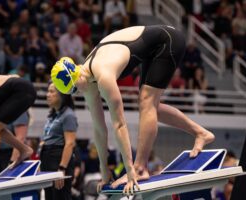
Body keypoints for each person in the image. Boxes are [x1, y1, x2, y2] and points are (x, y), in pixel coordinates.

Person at [51, 25, 215, 195]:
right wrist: (104, 171)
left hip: (168, 40)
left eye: (74, 88)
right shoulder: (87, 81)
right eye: (72, 92)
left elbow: (119, 125)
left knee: (146, 103)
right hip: (152, 48)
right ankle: (201, 133)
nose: (77, 92)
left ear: (76, 76)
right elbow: (99, 129)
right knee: (150, 108)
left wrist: (130, 172)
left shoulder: (103, 74)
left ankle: (140, 168)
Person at [40, 82, 78, 200]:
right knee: (49, 196)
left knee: (60, 196)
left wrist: (62, 169)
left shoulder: (69, 115)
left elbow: (70, 143)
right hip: (48, 158)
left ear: (62, 95)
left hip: (59, 160)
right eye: (48, 91)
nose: (48, 95)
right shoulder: (53, 115)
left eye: (52, 92)